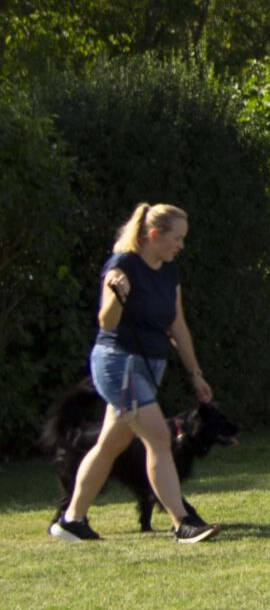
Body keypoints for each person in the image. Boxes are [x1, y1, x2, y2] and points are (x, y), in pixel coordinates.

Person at [53, 202, 219, 543]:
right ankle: (182, 522)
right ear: (154, 235)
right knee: (159, 437)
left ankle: (71, 520)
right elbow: (107, 321)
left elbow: (178, 325)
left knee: (110, 444)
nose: (181, 245)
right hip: (119, 365)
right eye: (177, 238)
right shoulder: (122, 265)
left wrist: (195, 373)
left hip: (149, 366)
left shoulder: (169, 271)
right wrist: (118, 295)